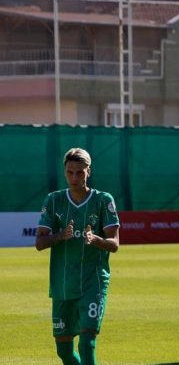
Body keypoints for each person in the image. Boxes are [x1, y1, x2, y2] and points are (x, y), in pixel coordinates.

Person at [35, 148, 120, 365]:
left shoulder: (103, 200)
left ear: (88, 172)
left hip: (93, 282)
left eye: (80, 173)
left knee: (86, 343)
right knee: (64, 351)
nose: (75, 177)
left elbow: (114, 244)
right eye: (70, 172)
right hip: (62, 285)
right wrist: (61, 236)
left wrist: (97, 240)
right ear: (64, 172)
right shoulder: (53, 200)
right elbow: (40, 243)